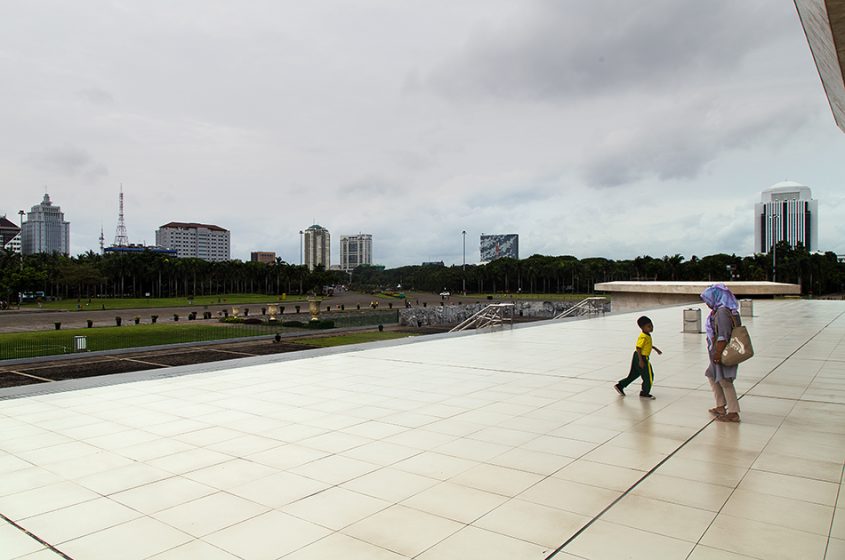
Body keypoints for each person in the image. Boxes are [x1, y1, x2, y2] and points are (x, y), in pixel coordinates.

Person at [701, 283, 741, 422]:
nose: (707, 303)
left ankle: (733, 412)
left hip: (722, 352)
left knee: (725, 380)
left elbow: (723, 335)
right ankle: (720, 405)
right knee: (711, 375)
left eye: (708, 299)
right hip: (716, 351)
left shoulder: (723, 312)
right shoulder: (721, 310)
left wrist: (718, 353)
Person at [615, 315, 662, 399]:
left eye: (652, 325)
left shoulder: (647, 335)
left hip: (637, 356)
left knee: (635, 374)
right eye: (648, 326)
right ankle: (645, 392)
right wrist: (641, 361)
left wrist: (655, 349)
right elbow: (638, 348)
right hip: (642, 357)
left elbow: (647, 345)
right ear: (642, 327)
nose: (651, 328)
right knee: (649, 376)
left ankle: (620, 385)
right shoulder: (643, 336)